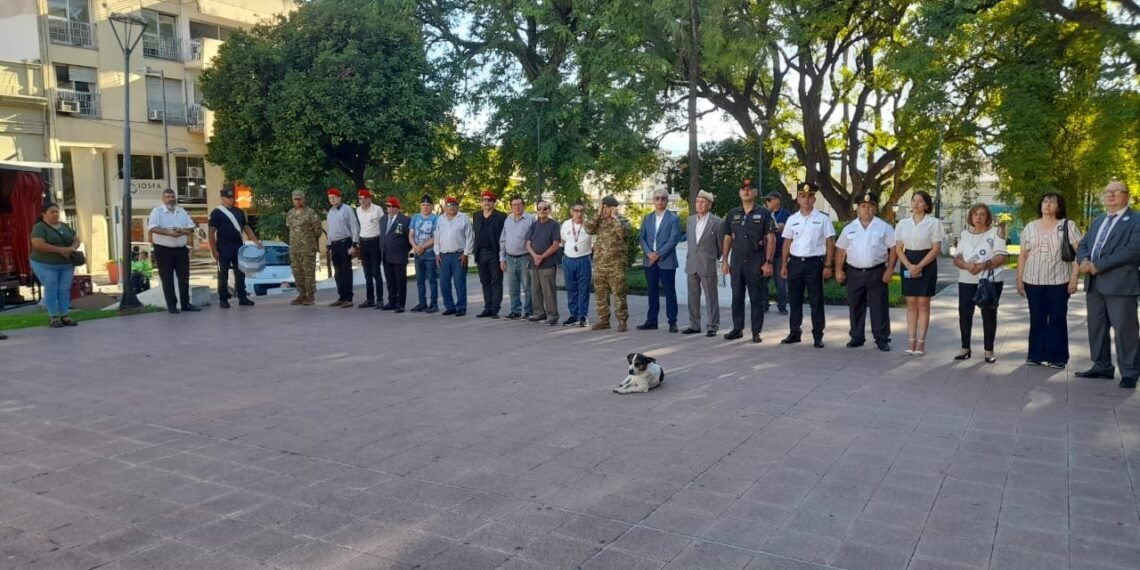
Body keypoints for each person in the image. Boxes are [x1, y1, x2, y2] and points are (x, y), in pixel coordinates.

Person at [1076, 181, 1140, 388]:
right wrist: (1084, 261)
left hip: (1121, 285)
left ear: (1126, 196)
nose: (1111, 195)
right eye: (1107, 192)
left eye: (1116, 192)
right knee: (1097, 328)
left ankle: (1130, 372)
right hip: (1094, 285)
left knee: (1125, 330)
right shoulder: (1099, 220)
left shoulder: (1136, 220)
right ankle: (1102, 366)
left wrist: (1098, 266)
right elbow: (1084, 245)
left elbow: (1133, 250)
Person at [1016, 192, 1081, 369]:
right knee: (1037, 317)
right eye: (1045, 201)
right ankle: (1035, 355)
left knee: (1057, 317)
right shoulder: (1030, 227)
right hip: (1033, 279)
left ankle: (1058, 357)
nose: (1048, 204)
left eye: (1053, 202)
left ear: (1059, 207)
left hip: (1060, 280)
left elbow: (1080, 254)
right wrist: (1019, 279)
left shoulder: (1067, 226)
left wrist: (1074, 278)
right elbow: (1023, 254)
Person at [835, 193, 896, 352]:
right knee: (855, 305)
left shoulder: (884, 227)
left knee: (879, 306)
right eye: (863, 206)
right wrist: (838, 270)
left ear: (875, 209)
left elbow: (893, 248)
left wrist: (890, 269)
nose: (866, 209)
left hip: (877, 271)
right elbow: (841, 250)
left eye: (870, 206)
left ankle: (882, 338)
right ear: (857, 209)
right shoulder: (849, 228)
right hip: (854, 272)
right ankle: (857, 337)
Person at [780, 182, 835, 348]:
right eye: (803, 196)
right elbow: (787, 242)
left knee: (816, 300)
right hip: (795, 263)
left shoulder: (823, 218)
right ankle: (794, 332)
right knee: (794, 300)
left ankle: (818, 335)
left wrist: (828, 265)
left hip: (814, 263)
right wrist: (784, 264)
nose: (806, 199)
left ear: (814, 199)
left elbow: (830, 242)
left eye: (809, 196)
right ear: (798, 199)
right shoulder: (792, 219)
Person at [952, 204, 1007, 363]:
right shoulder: (964, 234)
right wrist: (967, 266)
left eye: (982, 214)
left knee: (989, 314)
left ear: (988, 217)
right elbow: (957, 258)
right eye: (975, 214)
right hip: (967, 278)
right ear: (971, 216)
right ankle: (965, 347)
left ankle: (988, 350)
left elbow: (1001, 256)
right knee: (965, 313)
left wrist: (983, 266)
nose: (978, 217)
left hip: (990, 279)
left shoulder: (996, 232)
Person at [722, 181, 775, 342]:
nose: (746, 192)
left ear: (755, 192)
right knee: (737, 297)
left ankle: (756, 331)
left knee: (756, 298)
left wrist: (768, 262)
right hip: (737, 262)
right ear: (739, 193)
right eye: (743, 189)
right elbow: (727, 237)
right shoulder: (733, 213)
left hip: (756, 261)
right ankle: (737, 329)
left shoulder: (764, 213)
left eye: (749, 189)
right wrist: (725, 260)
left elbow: (771, 238)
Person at [895, 190, 943, 356]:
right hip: (908, 261)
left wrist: (920, 266)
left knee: (923, 303)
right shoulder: (903, 223)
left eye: (920, 201)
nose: (916, 204)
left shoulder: (934, 223)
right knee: (911, 304)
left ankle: (921, 342)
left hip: (927, 262)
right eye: (914, 200)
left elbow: (936, 248)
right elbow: (898, 247)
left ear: (926, 205)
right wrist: (908, 265)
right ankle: (911, 340)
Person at [208, 184, 262, 309]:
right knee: (223, 274)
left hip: (238, 246)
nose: (231, 200)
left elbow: (246, 227)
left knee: (240, 273)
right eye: (228, 198)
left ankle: (242, 297)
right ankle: (223, 299)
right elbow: (211, 232)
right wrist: (214, 249)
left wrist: (255, 241)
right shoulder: (217, 213)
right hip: (223, 247)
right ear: (222, 198)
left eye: (232, 198)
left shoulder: (239, 212)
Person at [147, 188, 199, 314]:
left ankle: (186, 304)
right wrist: (168, 233)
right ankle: (172, 305)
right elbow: (152, 227)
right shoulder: (157, 211)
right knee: (167, 278)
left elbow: (192, 227)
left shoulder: (181, 211)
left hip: (181, 249)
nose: (171, 199)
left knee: (184, 278)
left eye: (172, 196)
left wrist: (183, 231)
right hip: (163, 250)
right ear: (163, 199)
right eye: (168, 197)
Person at [29, 203, 81, 327]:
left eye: (57, 212)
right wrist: (59, 250)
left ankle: (65, 315)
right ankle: (53, 316)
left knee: (64, 289)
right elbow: (37, 244)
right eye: (52, 212)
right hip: (45, 263)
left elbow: (76, 239)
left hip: (66, 264)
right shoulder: (40, 227)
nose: (55, 214)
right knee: (51, 288)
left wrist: (72, 248)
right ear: (44, 214)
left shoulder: (64, 226)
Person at [637, 189, 682, 333]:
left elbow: (673, 239)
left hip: (666, 260)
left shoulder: (673, 218)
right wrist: (649, 253)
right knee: (652, 292)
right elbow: (642, 237)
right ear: (653, 200)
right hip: (649, 260)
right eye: (657, 198)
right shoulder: (647, 218)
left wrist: (658, 254)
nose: (660, 201)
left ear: (667, 201)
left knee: (670, 292)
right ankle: (651, 321)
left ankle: (672, 322)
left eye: (663, 198)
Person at [682, 190, 724, 337]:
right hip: (692, 263)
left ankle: (713, 325)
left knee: (711, 296)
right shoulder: (690, 220)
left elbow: (720, 245)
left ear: (709, 205)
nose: (699, 204)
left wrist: (713, 257)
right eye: (697, 201)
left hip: (707, 263)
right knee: (692, 296)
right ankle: (694, 324)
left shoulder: (717, 222)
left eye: (703, 202)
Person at [586, 196, 632, 331]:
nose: (604, 210)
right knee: (600, 295)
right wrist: (598, 214)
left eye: (606, 207)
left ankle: (622, 321)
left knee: (619, 294)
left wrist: (615, 218)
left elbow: (622, 234)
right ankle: (604, 320)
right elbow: (588, 228)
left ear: (613, 208)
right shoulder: (598, 222)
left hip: (616, 266)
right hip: (600, 265)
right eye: (602, 207)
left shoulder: (622, 221)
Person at [433, 196, 474, 316]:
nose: (451, 207)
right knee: (444, 283)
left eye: (454, 205)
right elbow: (437, 238)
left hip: (459, 255)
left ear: (458, 207)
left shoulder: (464, 218)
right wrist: (437, 253)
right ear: (445, 207)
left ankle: (461, 307)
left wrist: (466, 253)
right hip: (443, 256)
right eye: (449, 205)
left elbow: (470, 237)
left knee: (459, 283)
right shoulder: (440, 219)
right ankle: (449, 306)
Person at [526, 200, 562, 326]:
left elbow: (555, 244)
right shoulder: (534, 225)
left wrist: (542, 256)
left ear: (549, 210)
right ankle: (539, 313)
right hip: (533, 263)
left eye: (545, 208)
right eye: (539, 208)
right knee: (535, 290)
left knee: (548, 291)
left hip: (547, 263)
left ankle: (552, 315)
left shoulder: (554, 225)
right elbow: (528, 243)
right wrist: (535, 256)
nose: (542, 211)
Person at [499, 196, 535, 320]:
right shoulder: (508, 219)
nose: (517, 207)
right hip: (509, 258)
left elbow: (533, 240)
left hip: (525, 257)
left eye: (519, 204)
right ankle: (515, 311)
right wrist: (502, 258)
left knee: (528, 287)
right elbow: (503, 240)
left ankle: (529, 311)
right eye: (514, 205)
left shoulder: (530, 219)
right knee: (513, 288)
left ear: (523, 205)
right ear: (511, 207)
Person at [285, 190, 323, 306]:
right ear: (292, 200)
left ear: (304, 199)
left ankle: (310, 296)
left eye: (299, 199)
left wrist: (309, 241)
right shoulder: (290, 213)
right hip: (294, 249)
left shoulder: (310, 213)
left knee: (309, 273)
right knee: (297, 272)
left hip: (307, 249)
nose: (297, 201)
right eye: (295, 199)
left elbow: (318, 230)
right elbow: (289, 227)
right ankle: (301, 294)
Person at [473, 189, 507, 318]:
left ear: (494, 202)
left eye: (489, 200)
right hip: (480, 254)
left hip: (494, 253)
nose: (486, 202)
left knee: (496, 282)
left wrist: (502, 256)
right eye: (484, 200)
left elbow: (504, 236)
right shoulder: (476, 215)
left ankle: (495, 308)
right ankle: (487, 307)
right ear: (481, 202)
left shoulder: (501, 216)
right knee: (485, 282)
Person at [325, 188, 360, 308]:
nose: (332, 200)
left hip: (345, 242)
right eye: (330, 198)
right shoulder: (330, 212)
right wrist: (328, 245)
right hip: (334, 244)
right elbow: (330, 230)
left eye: (334, 197)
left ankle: (348, 298)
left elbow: (354, 226)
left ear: (340, 197)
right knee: (338, 272)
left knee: (346, 271)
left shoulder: (347, 209)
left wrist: (354, 244)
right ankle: (341, 296)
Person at [561, 201, 594, 327]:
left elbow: (594, 243)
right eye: (576, 211)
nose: (578, 213)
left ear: (584, 212)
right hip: (569, 260)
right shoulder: (565, 224)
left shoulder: (589, 225)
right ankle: (573, 315)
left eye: (581, 211)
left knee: (583, 289)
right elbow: (564, 240)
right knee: (571, 288)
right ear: (571, 212)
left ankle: (583, 316)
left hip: (583, 260)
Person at [380, 196, 411, 312]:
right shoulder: (383, 220)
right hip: (386, 255)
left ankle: (400, 304)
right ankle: (391, 301)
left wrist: (403, 249)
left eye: (393, 207)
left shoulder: (405, 220)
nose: (391, 209)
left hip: (399, 255)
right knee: (390, 280)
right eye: (388, 206)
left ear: (398, 208)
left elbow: (410, 239)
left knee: (400, 281)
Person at [355, 188, 385, 309]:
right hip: (363, 242)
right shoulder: (358, 210)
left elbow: (382, 226)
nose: (362, 201)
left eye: (364, 198)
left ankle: (380, 299)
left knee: (375, 271)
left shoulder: (377, 209)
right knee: (367, 272)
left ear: (369, 199)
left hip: (374, 241)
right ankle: (370, 298)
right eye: (360, 198)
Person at [409, 194, 439, 313]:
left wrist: (422, 247)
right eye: (423, 205)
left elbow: (435, 237)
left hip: (430, 253)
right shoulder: (415, 217)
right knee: (420, 280)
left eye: (428, 205)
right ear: (420, 206)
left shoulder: (436, 218)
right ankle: (422, 303)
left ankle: (433, 304)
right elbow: (411, 234)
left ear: (431, 206)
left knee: (432, 279)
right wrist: (415, 247)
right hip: (418, 253)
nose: (426, 207)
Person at [765, 191, 792, 314]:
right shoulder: (764, 213)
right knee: (763, 280)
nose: (767, 202)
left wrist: (775, 227)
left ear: (777, 200)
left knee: (780, 281)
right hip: (765, 252)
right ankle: (764, 305)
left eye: (769, 200)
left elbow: (784, 227)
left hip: (780, 252)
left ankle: (782, 306)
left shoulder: (785, 214)